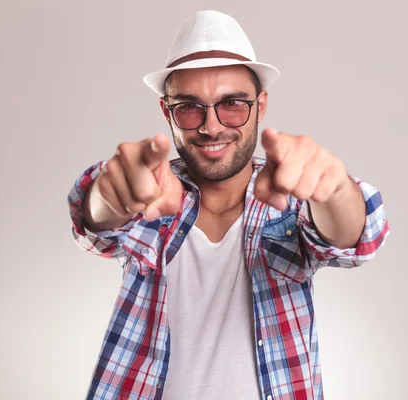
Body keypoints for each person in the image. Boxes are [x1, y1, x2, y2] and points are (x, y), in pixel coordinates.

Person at [67, 9, 389, 400]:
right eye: (189, 107)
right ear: (166, 111)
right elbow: (96, 224)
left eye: (232, 103)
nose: (212, 126)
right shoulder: (151, 191)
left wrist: (334, 189)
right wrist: (110, 193)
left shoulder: (288, 195)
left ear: (261, 105)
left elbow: (355, 239)